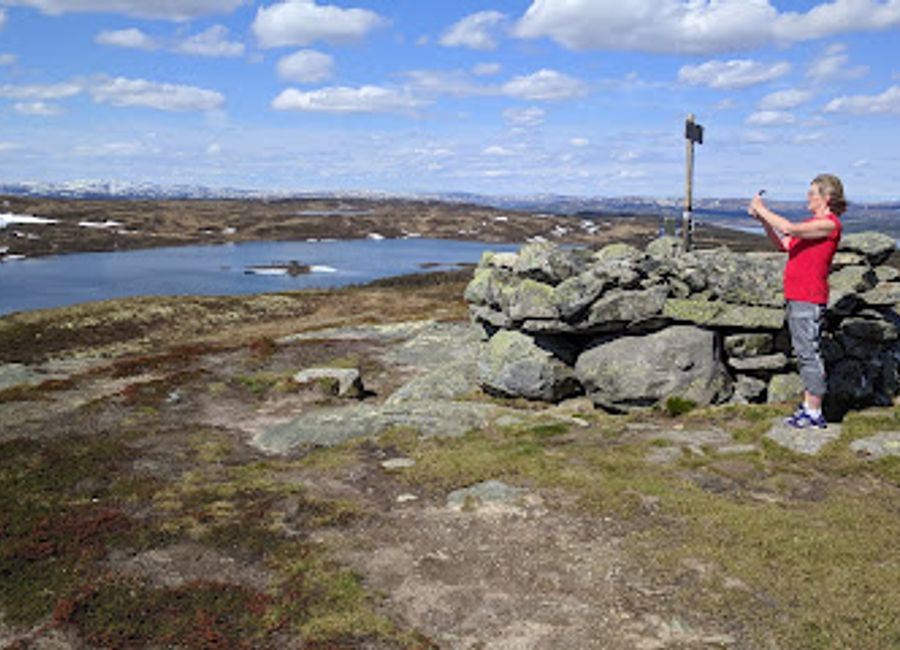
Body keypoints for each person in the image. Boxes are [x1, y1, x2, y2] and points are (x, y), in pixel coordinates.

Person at [748, 174, 846, 428]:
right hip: (797, 295)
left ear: (827, 197)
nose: (808, 197)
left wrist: (762, 209)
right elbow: (786, 243)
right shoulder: (814, 223)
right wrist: (763, 221)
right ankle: (808, 407)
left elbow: (790, 229)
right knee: (804, 352)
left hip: (809, 297)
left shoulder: (829, 224)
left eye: (812, 192)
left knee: (808, 353)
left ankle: (814, 412)